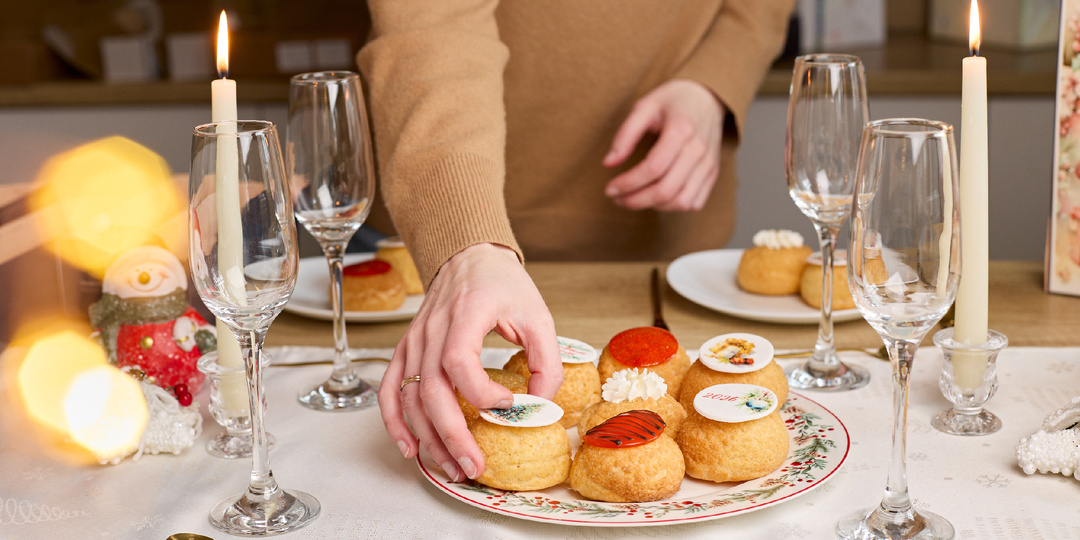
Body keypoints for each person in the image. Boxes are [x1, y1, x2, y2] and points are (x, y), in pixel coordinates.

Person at [356, 0, 795, 482]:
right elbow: (432, 24)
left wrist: (717, 77)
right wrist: (465, 237)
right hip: (467, 225)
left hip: (668, 249)